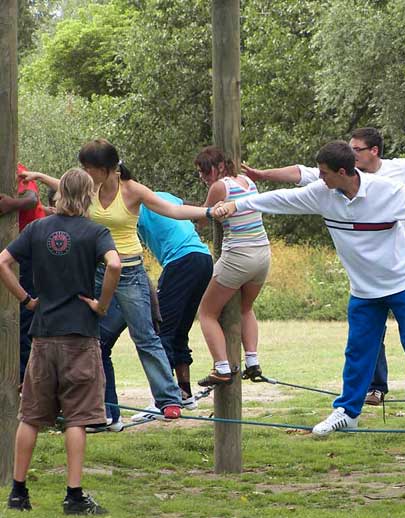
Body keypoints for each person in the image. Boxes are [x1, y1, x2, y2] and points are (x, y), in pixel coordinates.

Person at [217, 141, 405, 435]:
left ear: (344, 172)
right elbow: (282, 200)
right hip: (363, 289)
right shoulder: (322, 195)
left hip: (403, 281)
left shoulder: (385, 191)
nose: (320, 178)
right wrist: (237, 205)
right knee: (358, 352)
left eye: (324, 173)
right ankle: (347, 412)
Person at [21, 140, 212, 428]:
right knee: (97, 342)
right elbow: (66, 184)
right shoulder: (89, 187)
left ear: (108, 169)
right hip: (96, 273)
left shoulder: (132, 191)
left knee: (145, 336)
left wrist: (209, 212)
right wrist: (37, 176)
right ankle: (106, 412)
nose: (85, 172)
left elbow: (172, 210)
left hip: (129, 273)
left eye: (90, 168)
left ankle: (169, 400)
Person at [2, 168, 121, 514]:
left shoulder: (38, 229)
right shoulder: (96, 232)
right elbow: (114, 265)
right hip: (80, 335)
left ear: (59, 194)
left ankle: (18, 493)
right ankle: (73, 495)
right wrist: (102, 304)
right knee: (77, 419)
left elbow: (3, 262)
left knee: (31, 416)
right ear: (88, 196)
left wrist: (26, 299)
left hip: (43, 334)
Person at [99, 191, 214, 423]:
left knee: (162, 330)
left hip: (180, 260)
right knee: (180, 331)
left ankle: (163, 401)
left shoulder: (132, 204)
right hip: (203, 259)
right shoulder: (167, 197)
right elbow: (188, 211)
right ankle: (184, 392)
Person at [193, 147, 271, 388]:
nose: (204, 178)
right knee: (245, 308)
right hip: (262, 253)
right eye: (200, 174)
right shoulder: (248, 182)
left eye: (206, 172)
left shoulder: (220, 187)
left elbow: (204, 218)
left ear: (220, 167)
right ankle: (252, 362)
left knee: (207, 312)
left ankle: (222, 367)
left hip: (238, 255)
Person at [1, 163, 48, 385]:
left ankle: (24, 378)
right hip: (15, 251)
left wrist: (11, 204)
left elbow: (31, 199)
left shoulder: (13, 169)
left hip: (33, 251)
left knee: (24, 316)